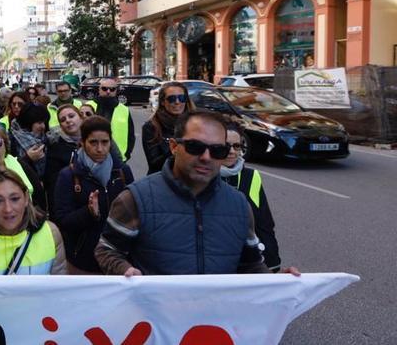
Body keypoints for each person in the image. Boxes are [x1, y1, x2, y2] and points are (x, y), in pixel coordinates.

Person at [95, 111, 300, 277]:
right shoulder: (135, 198)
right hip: (157, 322)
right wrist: (124, 270)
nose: (206, 157)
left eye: (217, 150)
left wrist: (276, 282)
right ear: (174, 147)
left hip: (215, 324)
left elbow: (251, 264)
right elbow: (106, 250)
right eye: (195, 147)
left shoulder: (239, 205)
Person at [52, 117, 133, 274]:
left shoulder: (122, 172)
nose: (100, 149)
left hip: (118, 259)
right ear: (82, 142)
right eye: (93, 142)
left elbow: (134, 213)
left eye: (105, 142)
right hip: (83, 261)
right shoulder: (69, 175)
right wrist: (88, 213)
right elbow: (62, 220)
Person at [221, 123, 281, 271]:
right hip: (216, 258)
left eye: (237, 146)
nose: (231, 151)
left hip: (246, 257)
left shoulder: (251, 176)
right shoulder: (202, 175)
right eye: (225, 146)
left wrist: (273, 262)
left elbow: (264, 222)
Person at [142, 82, 193, 175]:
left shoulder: (194, 124)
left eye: (182, 98)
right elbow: (154, 164)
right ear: (162, 102)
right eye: (171, 99)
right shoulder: (151, 127)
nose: (177, 102)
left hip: (191, 180)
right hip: (161, 180)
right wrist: (178, 146)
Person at [43, 104, 83, 210]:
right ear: (61, 125)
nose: (68, 121)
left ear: (80, 117)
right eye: (63, 119)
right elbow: (52, 184)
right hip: (69, 205)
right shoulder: (55, 147)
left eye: (71, 116)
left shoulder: (94, 139)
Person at [94, 78, 135, 160]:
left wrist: (127, 153)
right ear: (99, 89)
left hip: (117, 157)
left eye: (112, 89)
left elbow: (131, 135)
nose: (108, 91)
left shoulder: (124, 110)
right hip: (92, 156)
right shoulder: (90, 106)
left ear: (116, 91)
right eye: (104, 88)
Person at [9, 103, 49, 178]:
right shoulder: (11, 139)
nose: (43, 126)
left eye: (44, 122)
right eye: (39, 123)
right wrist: (27, 158)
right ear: (28, 123)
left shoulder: (47, 139)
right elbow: (9, 168)